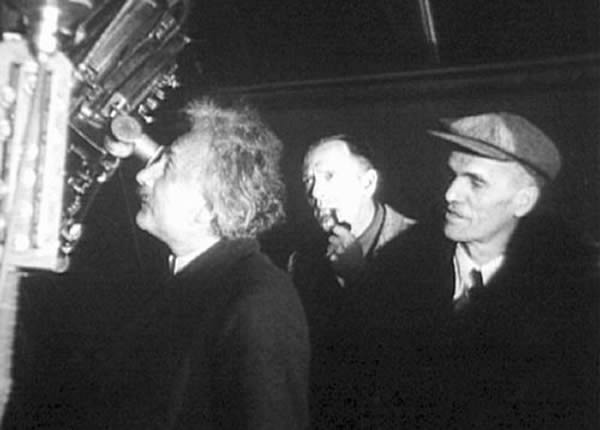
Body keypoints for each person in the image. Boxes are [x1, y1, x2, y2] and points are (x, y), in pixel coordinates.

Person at [89, 99, 310, 429]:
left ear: (207, 209)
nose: (143, 175)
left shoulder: (258, 304)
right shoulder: (198, 275)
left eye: (167, 167)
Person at [422, 112, 599, 428]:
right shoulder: (396, 281)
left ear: (523, 201)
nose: (450, 194)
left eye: (476, 182)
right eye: (452, 175)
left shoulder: (573, 310)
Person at [289, 135, 420, 428]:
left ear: (368, 183)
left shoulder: (423, 250)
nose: (315, 193)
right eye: (308, 180)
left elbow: (412, 361)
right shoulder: (303, 261)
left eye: (328, 176)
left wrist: (359, 279)